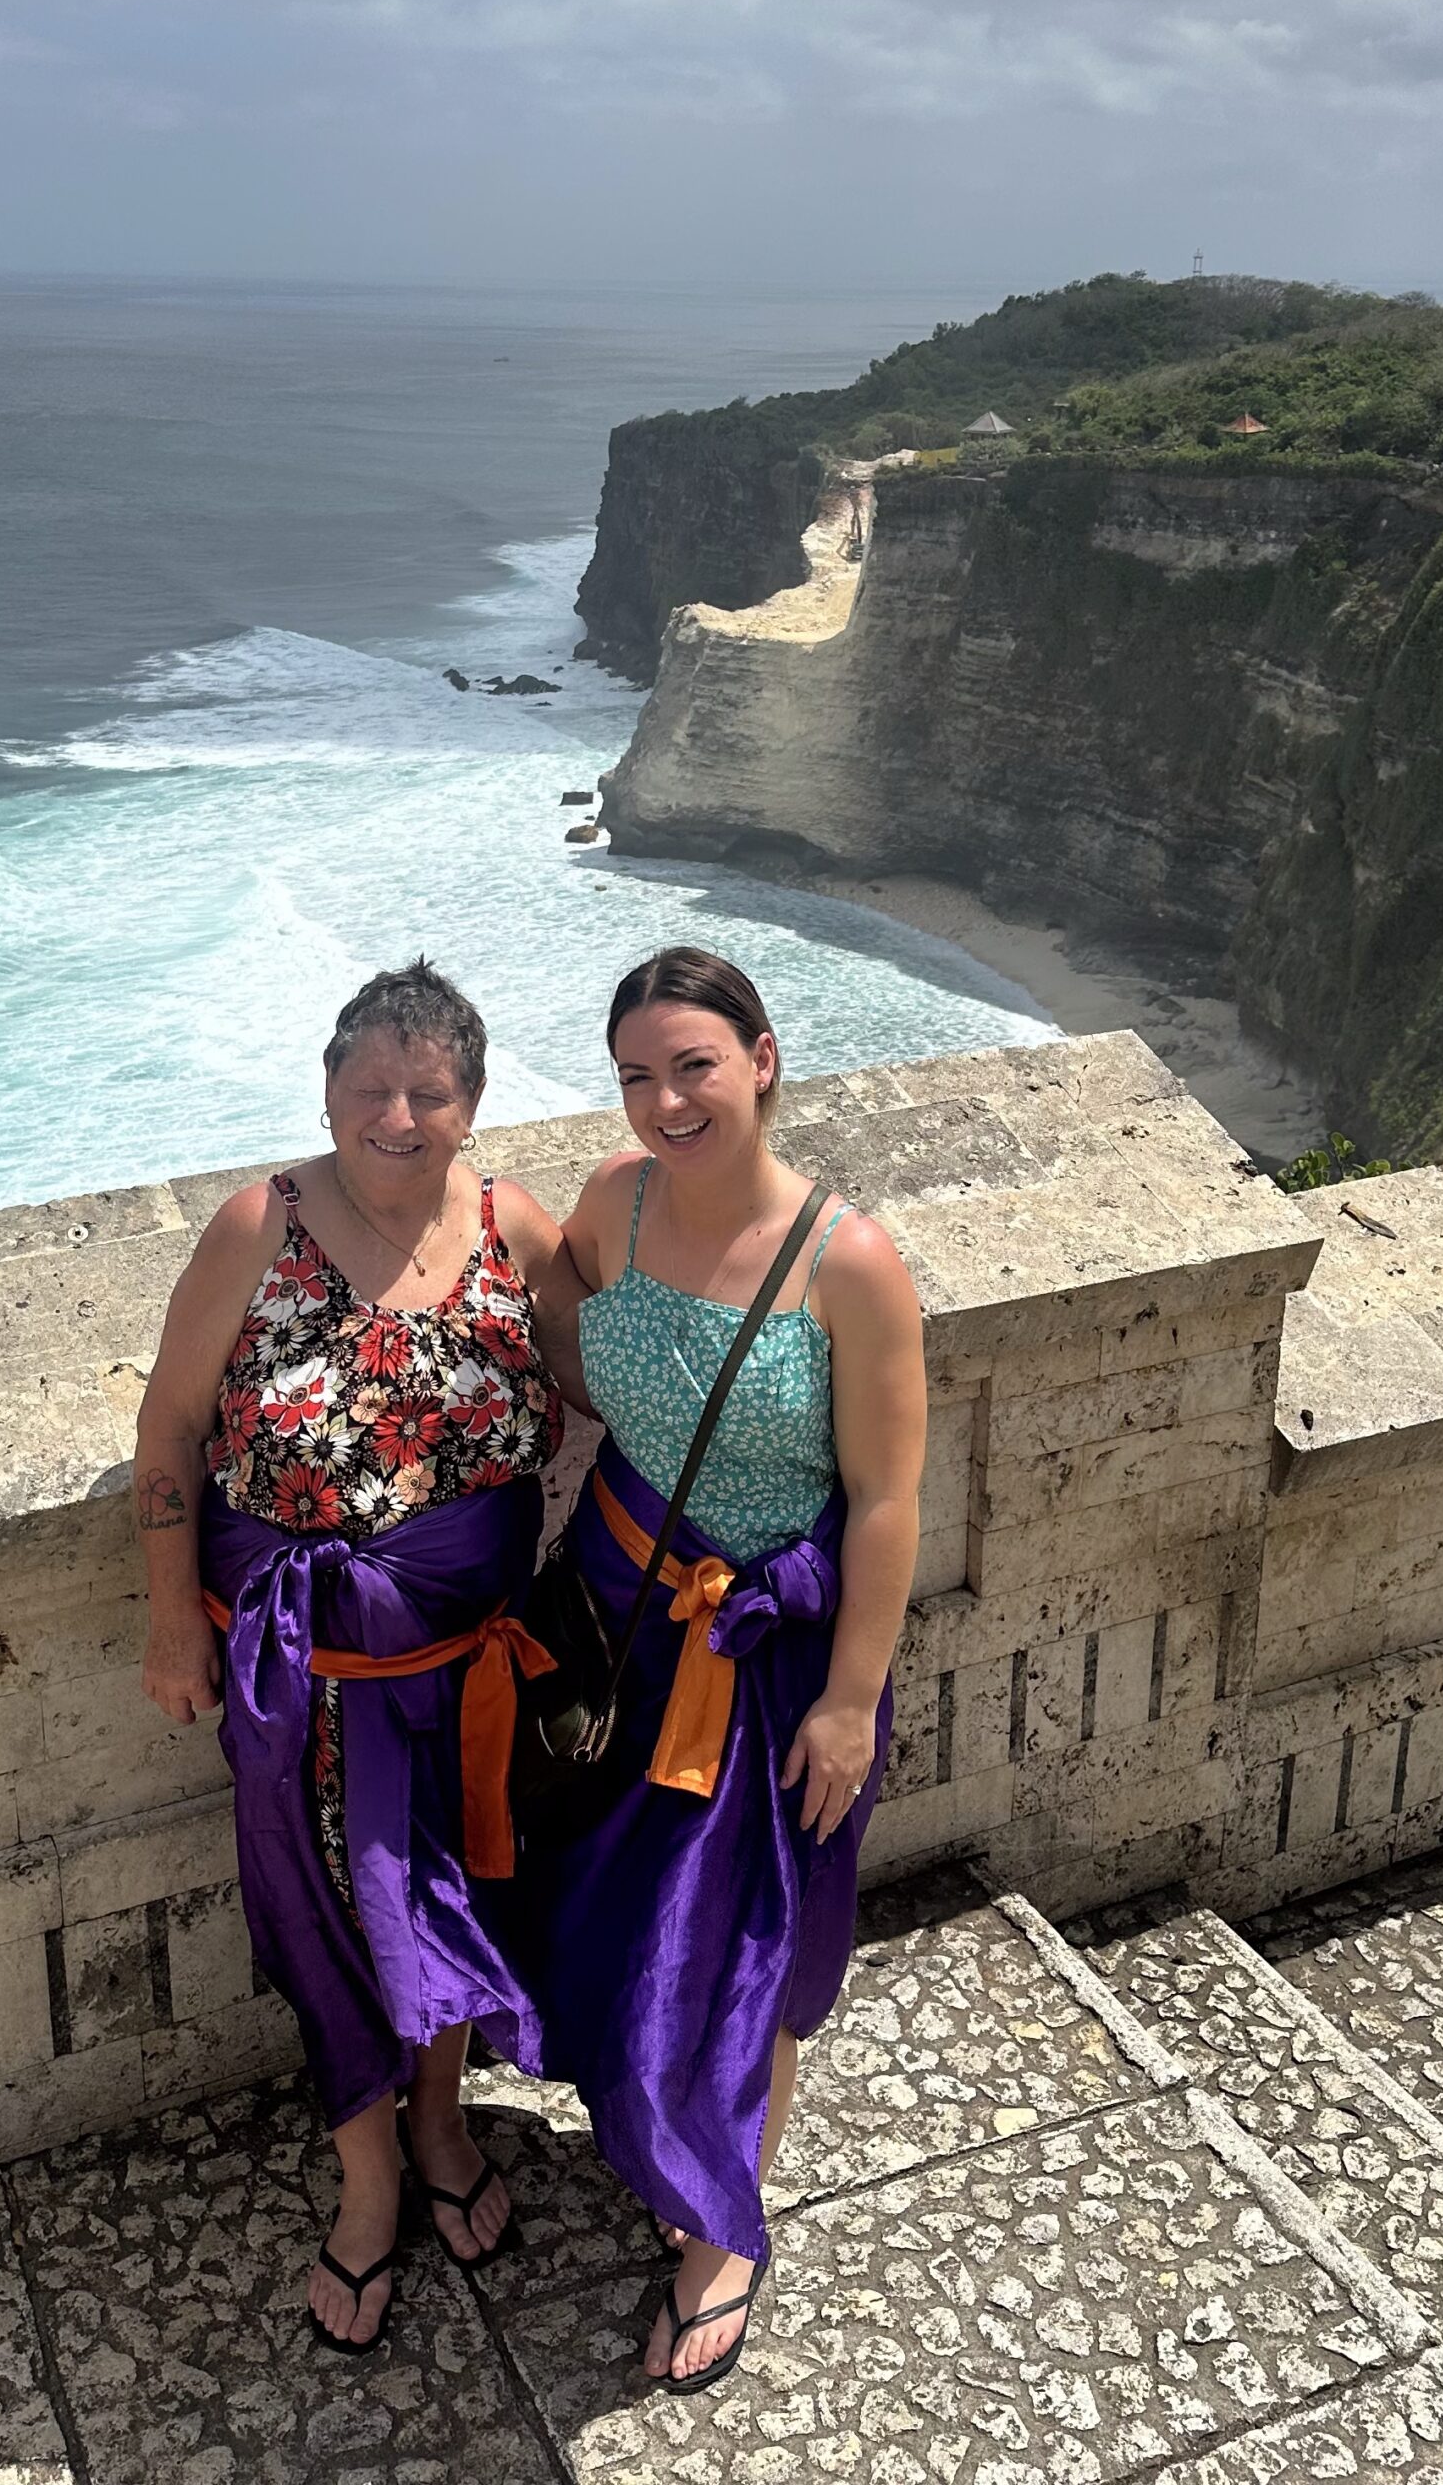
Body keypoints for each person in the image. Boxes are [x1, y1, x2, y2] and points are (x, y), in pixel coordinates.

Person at [134, 960, 581, 2354]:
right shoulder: (256, 1230)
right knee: (330, 1908)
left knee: (448, 1895)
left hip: (469, 1667)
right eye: (369, 1086)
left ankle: (441, 2120)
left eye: (428, 1091)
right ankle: (371, 2172)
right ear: (326, 1093)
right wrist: (166, 1619)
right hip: (301, 1679)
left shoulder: (521, 1229)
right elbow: (167, 1440)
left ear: (471, 1105)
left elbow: (620, 1374)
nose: (397, 1114)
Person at [534, 946, 927, 2392]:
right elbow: (570, 1336)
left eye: (693, 1064)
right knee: (622, 1905)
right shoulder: (612, 1205)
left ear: (764, 1059)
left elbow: (888, 1498)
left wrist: (846, 1705)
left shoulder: (851, 1263)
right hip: (625, 1615)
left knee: (755, 1939)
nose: (664, 1100)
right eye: (637, 1075)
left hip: (773, 1659)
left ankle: (725, 2227)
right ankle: (652, 2113)